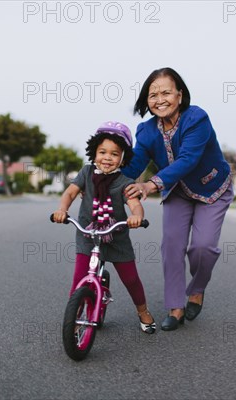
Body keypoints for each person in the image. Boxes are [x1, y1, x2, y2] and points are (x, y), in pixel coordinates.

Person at [122, 67, 234, 331]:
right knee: (171, 247)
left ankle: (197, 289)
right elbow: (135, 163)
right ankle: (175, 307)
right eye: (153, 95)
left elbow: (188, 159)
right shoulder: (146, 130)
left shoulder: (196, 118)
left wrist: (151, 184)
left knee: (203, 247)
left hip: (212, 189)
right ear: (146, 101)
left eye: (166, 92)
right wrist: (105, 177)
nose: (159, 99)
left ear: (180, 95)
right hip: (177, 192)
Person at [52, 121, 156, 334]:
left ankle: (143, 311)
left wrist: (136, 217)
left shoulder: (125, 182)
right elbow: (70, 193)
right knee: (79, 281)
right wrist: (62, 210)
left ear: (123, 158)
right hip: (87, 235)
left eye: (114, 154)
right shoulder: (86, 173)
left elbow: (135, 204)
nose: (107, 157)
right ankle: (74, 321)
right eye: (102, 152)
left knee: (131, 278)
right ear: (94, 152)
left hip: (115, 237)